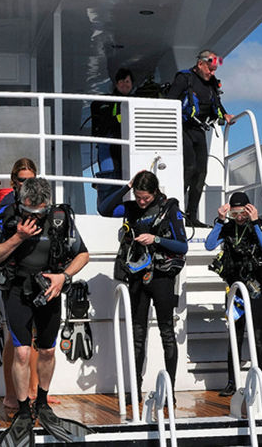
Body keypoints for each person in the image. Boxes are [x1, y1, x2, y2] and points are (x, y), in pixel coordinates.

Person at [0, 177, 91, 443]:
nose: (34, 216)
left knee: (47, 349)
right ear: (21, 202)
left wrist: (63, 277)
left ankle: (41, 402)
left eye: (39, 211)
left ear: (47, 205)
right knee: (21, 352)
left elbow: (82, 254)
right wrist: (18, 237)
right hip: (18, 290)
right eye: (29, 210)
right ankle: (22, 410)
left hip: (49, 288)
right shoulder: (8, 216)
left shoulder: (60, 217)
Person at [98, 170, 188, 400]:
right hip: (138, 275)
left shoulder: (169, 209)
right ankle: (134, 391)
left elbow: (182, 246)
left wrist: (155, 239)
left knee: (167, 332)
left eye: (145, 198)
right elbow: (105, 209)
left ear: (155, 192)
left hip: (162, 277)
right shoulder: (131, 208)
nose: (141, 201)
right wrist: (127, 187)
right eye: (138, 196)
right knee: (137, 335)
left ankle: (170, 391)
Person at [204, 191, 262, 397]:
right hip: (235, 290)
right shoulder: (228, 227)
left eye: (242, 212)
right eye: (235, 213)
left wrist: (254, 222)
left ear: (249, 209)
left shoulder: (258, 226)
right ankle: (232, 382)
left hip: (257, 290)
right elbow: (209, 244)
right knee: (234, 337)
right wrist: (220, 220)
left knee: (258, 337)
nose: (239, 217)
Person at [167, 50, 234, 227]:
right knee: (189, 168)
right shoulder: (185, 78)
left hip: (199, 129)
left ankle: (191, 216)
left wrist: (225, 114)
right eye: (210, 69)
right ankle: (175, 212)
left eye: (214, 70)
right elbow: (170, 101)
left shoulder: (211, 82)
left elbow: (217, 103)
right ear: (200, 64)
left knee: (201, 172)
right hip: (183, 127)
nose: (212, 73)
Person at [90, 67, 133, 180]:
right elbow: (107, 122)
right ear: (116, 84)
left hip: (129, 146)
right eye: (121, 82)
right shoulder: (109, 102)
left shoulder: (135, 101)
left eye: (127, 81)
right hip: (112, 146)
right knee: (113, 179)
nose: (124, 84)